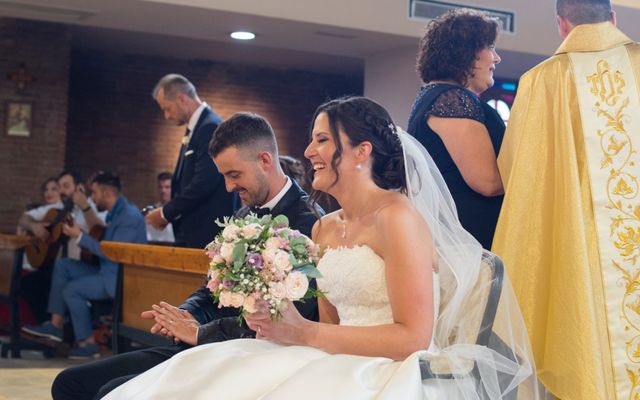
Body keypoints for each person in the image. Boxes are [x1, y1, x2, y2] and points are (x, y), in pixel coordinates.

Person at [101, 97, 539, 400]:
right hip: (331, 355)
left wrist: (304, 334)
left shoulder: (399, 220)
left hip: (388, 368)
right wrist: (276, 319)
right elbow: (332, 320)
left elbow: (412, 337)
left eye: (323, 140)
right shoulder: (326, 228)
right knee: (203, 376)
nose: (308, 150)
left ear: (361, 151)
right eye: (312, 139)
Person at [52, 112, 322, 400]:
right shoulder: (242, 215)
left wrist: (200, 333)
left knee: (110, 392)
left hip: (252, 354)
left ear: (265, 160)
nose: (229, 187)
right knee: (70, 383)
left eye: (234, 175)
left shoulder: (311, 223)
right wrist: (186, 312)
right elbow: (212, 289)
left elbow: (293, 319)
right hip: (208, 342)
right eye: (224, 177)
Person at [492, 0, 640, 400]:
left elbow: (518, 172)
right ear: (613, 18)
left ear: (561, 24)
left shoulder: (540, 82)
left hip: (579, 254)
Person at [408, 9, 504, 251]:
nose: (496, 58)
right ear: (466, 52)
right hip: (471, 241)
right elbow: (488, 181)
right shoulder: (452, 100)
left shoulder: (432, 97)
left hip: (455, 237)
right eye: (490, 47)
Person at [22, 172, 147, 358]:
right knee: (63, 266)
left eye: (94, 192)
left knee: (72, 290)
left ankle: (88, 343)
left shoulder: (128, 216)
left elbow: (113, 254)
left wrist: (79, 236)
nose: (92, 197)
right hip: (106, 269)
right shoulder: (117, 213)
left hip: (117, 279)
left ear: (106, 193)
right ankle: (55, 326)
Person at [145, 74, 236, 248]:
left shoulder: (209, 127)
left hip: (205, 232)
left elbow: (204, 181)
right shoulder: (196, 128)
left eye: (167, 108)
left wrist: (166, 213)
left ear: (181, 99)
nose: (166, 116)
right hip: (192, 229)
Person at [145, 172, 175, 243]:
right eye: (160, 187)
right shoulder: (150, 211)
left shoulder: (179, 212)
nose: (163, 191)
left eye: (167, 187)